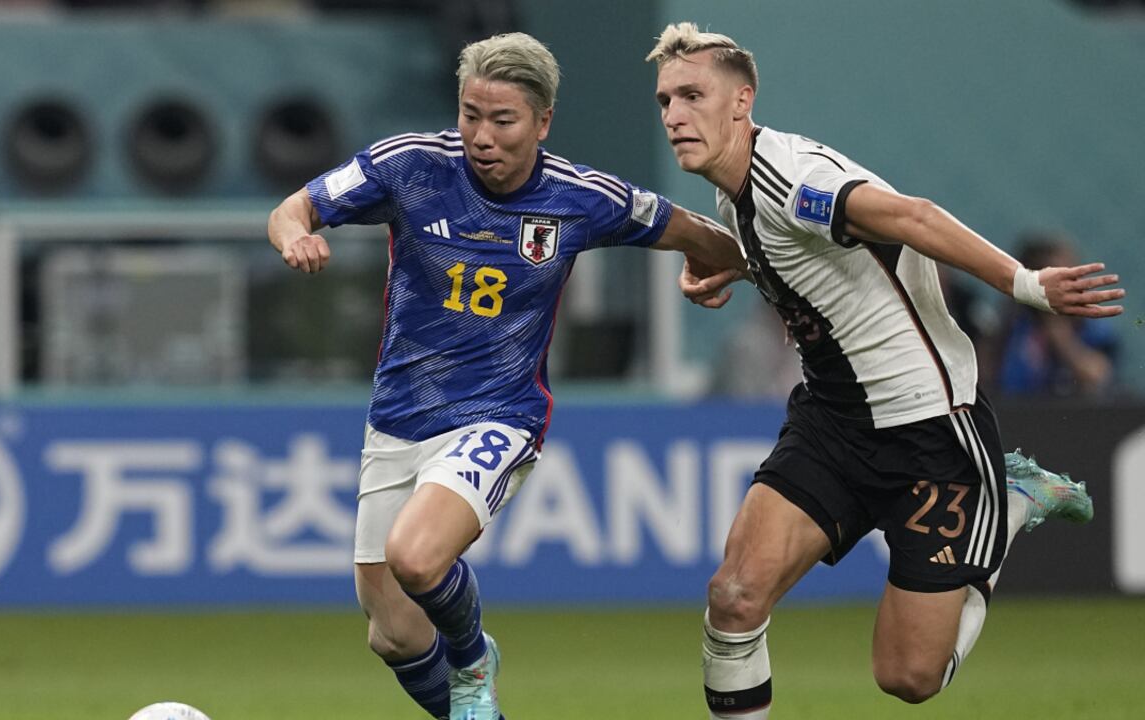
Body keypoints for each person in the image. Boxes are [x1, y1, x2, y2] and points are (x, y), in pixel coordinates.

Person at [645, 23, 1125, 718]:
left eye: (693, 95)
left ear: (742, 100)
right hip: (832, 423)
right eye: (664, 100)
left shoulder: (793, 180)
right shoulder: (734, 187)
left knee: (908, 679)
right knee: (734, 596)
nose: (675, 115)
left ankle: (1014, 503)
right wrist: (733, 263)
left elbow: (913, 217)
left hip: (929, 433)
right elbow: (814, 264)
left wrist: (1024, 284)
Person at [268, 32, 744, 720]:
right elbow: (294, 208)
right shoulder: (410, 167)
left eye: (502, 120)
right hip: (398, 418)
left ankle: (472, 662)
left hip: (498, 412)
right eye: (470, 115)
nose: (480, 137)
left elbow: (693, 229)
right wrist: (296, 236)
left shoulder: (579, 198)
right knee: (392, 630)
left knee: (418, 556)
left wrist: (723, 262)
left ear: (543, 121)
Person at [994, 231, 1118, 397]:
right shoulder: (1014, 325)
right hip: (1018, 412)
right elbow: (988, 375)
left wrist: (1060, 336)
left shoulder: (1091, 325)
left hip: (1078, 414)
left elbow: (1097, 376)